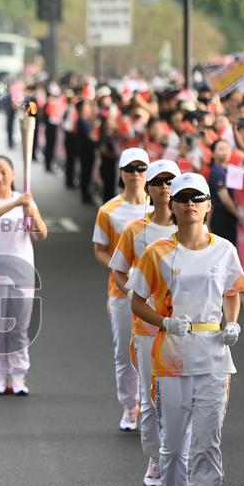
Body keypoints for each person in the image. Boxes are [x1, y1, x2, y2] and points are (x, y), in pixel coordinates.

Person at [129, 172, 244, 486]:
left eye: (197, 197)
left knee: (207, 445)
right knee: (174, 443)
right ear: (174, 205)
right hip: (172, 357)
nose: (189, 203)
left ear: (209, 204)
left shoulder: (225, 250)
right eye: (182, 197)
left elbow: (233, 291)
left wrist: (232, 322)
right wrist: (163, 322)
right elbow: (136, 300)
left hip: (215, 356)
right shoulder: (158, 252)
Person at [109, 159, 180, 486]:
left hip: (183, 329)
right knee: (153, 400)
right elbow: (119, 269)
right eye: (159, 181)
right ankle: (155, 457)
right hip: (147, 325)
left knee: (180, 400)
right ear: (149, 188)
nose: (165, 187)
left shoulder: (193, 232)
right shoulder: (136, 230)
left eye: (171, 181)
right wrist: (137, 296)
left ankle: (177, 463)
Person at [0, 155, 49, 395]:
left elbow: (41, 234)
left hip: (22, 272)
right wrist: (16, 205)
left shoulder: (25, 201)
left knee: (19, 328)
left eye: (4, 172)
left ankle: (18, 376)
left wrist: (31, 211)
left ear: (13, 175)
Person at [93, 147, 152, 431]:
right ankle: (131, 406)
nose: (136, 175)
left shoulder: (160, 209)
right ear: (121, 173)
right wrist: (122, 269)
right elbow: (100, 250)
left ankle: (155, 404)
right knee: (125, 352)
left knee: (158, 351)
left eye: (141, 169)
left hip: (157, 293)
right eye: (131, 169)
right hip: (122, 291)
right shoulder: (109, 211)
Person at [208, 139, 241, 245]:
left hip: (228, 217)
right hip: (221, 218)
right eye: (220, 149)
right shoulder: (217, 171)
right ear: (213, 154)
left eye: (227, 148)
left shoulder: (228, 169)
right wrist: (238, 215)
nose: (224, 152)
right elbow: (225, 199)